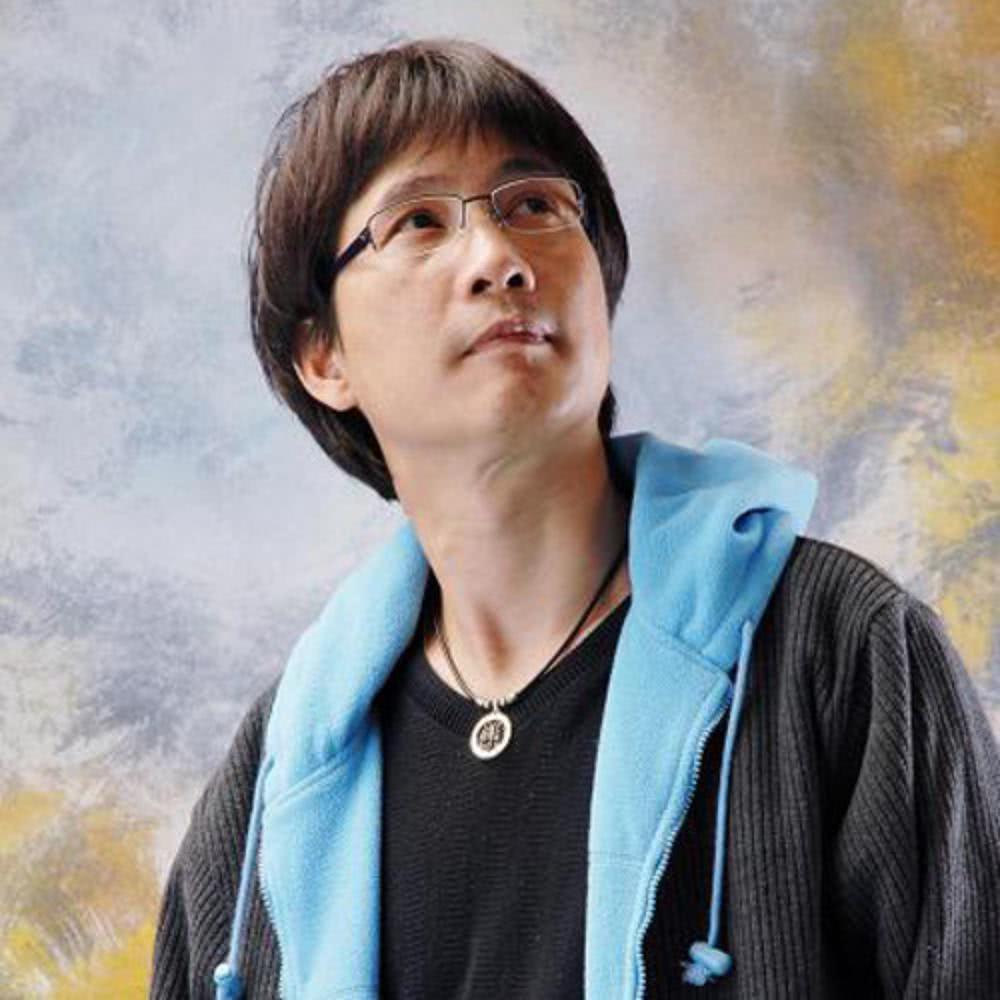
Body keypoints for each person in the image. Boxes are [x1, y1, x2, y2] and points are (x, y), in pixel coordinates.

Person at [150, 38, 1000, 1000]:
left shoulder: (842, 652)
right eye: (419, 221)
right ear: (323, 358)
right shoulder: (271, 788)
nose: (500, 258)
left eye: (535, 206)